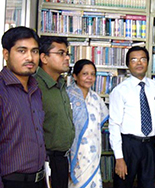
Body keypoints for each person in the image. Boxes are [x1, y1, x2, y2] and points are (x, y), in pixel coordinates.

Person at [109, 46, 155, 188]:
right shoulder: (120, 91)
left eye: (143, 59)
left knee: (148, 184)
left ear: (148, 62)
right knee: (123, 184)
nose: (139, 63)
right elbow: (114, 125)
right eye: (134, 60)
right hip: (128, 145)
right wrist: (119, 157)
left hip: (150, 146)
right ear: (128, 64)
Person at [0, 26, 46, 188]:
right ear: (6, 54)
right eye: (22, 51)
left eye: (34, 51)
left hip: (39, 180)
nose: (30, 57)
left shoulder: (35, 89)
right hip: (12, 182)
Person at [34, 36, 75, 188]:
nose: (67, 58)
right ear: (44, 57)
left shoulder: (61, 84)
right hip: (45, 161)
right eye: (61, 53)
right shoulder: (35, 86)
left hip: (61, 159)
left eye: (67, 53)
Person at [67, 59, 109, 188]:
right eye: (85, 74)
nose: (89, 78)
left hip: (92, 152)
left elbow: (100, 123)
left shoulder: (96, 98)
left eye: (92, 74)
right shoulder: (67, 96)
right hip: (74, 152)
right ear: (75, 76)